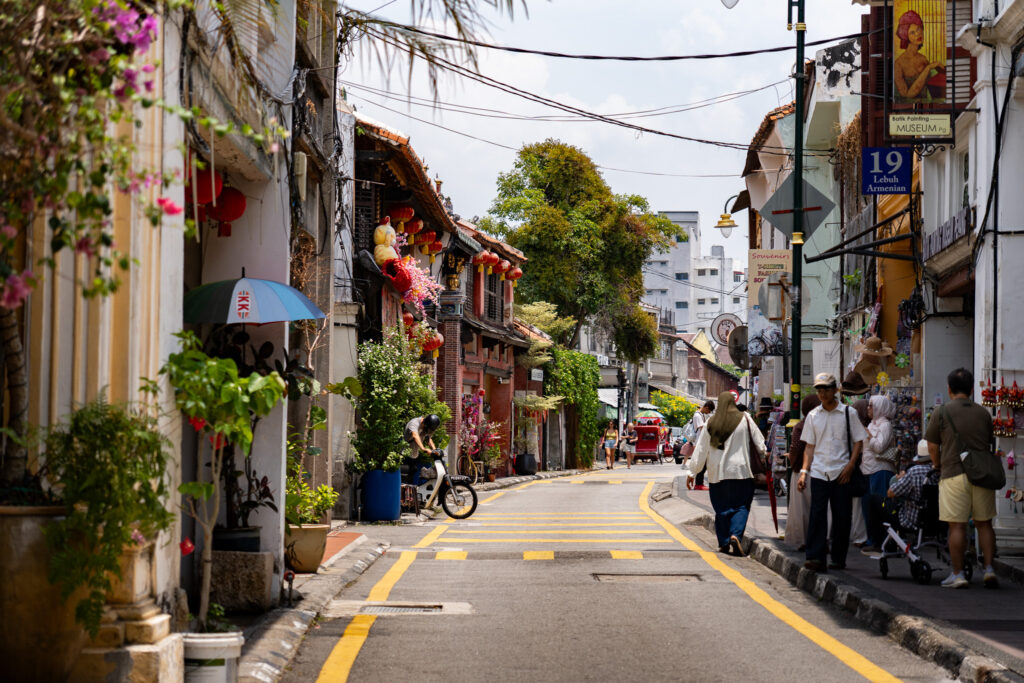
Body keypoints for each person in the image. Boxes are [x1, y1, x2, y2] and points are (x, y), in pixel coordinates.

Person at [925, 368, 999, 589]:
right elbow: (987, 442)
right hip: (982, 474)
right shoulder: (983, 413)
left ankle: (958, 574)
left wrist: (937, 464)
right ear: (971, 388)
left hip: (954, 473)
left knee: (956, 527)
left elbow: (931, 445)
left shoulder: (942, 412)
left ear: (949, 389)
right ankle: (988, 569)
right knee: (984, 524)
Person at [797, 373, 869, 572]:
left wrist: (851, 465)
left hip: (841, 472)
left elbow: (858, 442)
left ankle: (838, 558)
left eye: (826, 389)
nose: (822, 393)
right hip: (820, 472)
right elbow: (809, 447)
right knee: (817, 515)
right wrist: (804, 471)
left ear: (835, 390)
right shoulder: (813, 416)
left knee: (842, 517)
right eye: (819, 390)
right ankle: (815, 557)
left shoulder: (848, 413)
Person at [687, 391, 766, 555]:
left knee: (722, 509)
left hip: (718, 473)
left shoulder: (711, 422)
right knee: (741, 506)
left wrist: (692, 472)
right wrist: (764, 455)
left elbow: (701, 450)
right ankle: (735, 535)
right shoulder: (745, 418)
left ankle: (723, 542)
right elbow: (760, 443)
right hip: (742, 471)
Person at [860, 395, 898, 553]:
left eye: (871, 406)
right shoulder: (872, 424)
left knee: (881, 507)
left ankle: (884, 541)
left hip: (881, 470)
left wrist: (868, 434)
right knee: (869, 507)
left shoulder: (885, 425)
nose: (868, 409)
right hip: (868, 470)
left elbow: (879, 447)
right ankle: (872, 539)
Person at [784, 394, 821, 550]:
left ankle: (804, 540)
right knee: (819, 509)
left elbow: (796, 448)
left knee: (802, 509)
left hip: (802, 471)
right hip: (821, 471)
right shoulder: (822, 423)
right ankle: (820, 540)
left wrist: (793, 462)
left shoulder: (801, 426)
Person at [894, 9, 942, 102]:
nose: (918, 33)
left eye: (919, 29)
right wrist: (928, 68)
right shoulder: (899, 64)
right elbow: (908, 95)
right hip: (909, 113)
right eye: (912, 32)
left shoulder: (923, 59)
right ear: (906, 36)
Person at [849, 399, 871, 548]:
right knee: (857, 506)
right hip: (858, 470)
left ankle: (854, 534)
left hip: (850, 470)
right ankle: (859, 537)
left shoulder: (850, 426)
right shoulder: (862, 429)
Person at [686, 400, 716, 490]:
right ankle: (698, 484)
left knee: (702, 463)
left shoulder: (701, 415)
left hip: (702, 442)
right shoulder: (697, 415)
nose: (709, 413)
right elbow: (703, 428)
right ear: (706, 407)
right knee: (701, 463)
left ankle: (698, 483)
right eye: (709, 411)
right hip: (700, 442)